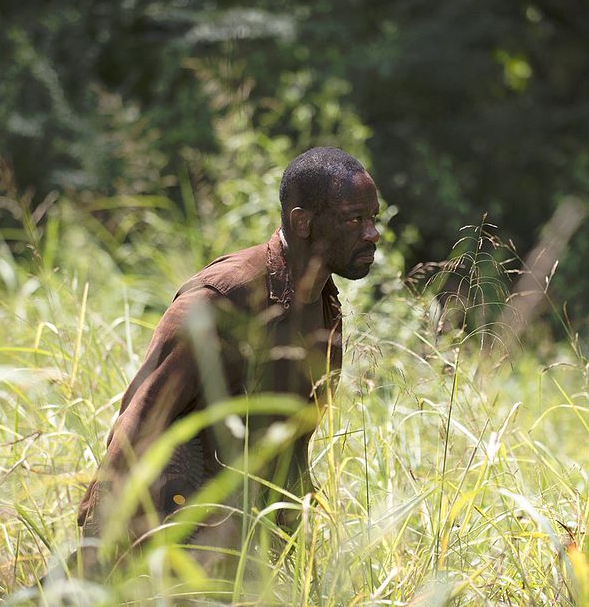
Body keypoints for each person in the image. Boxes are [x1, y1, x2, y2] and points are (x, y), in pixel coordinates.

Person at [72, 146, 380, 574]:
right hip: (169, 538)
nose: (372, 234)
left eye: (373, 219)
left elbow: (291, 445)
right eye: (354, 220)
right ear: (302, 222)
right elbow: (139, 421)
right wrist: (93, 549)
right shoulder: (224, 298)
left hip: (242, 550)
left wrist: (293, 545)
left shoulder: (326, 309)